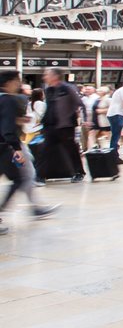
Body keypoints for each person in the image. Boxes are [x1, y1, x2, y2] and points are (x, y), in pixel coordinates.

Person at [0, 71, 57, 230]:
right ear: (9, 82)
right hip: (7, 147)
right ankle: (33, 208)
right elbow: (6, 128)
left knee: (25, 176)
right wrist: (16, 148)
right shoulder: (9, 100)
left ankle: (36, 208)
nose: (19, 84)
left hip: (7, 145)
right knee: (22, 178)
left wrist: (17, 120)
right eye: (17, 81)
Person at [40, 68, 86, 183]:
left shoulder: (67, 89)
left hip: (65, 126)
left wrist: (83, 119)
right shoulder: (48, 90)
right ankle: (40, 175)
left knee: (72, 150)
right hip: (50, 125)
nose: (44, 77)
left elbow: (80, 104)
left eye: (47, 75)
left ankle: (79, 172)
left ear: (55, 76)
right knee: (45, 150)